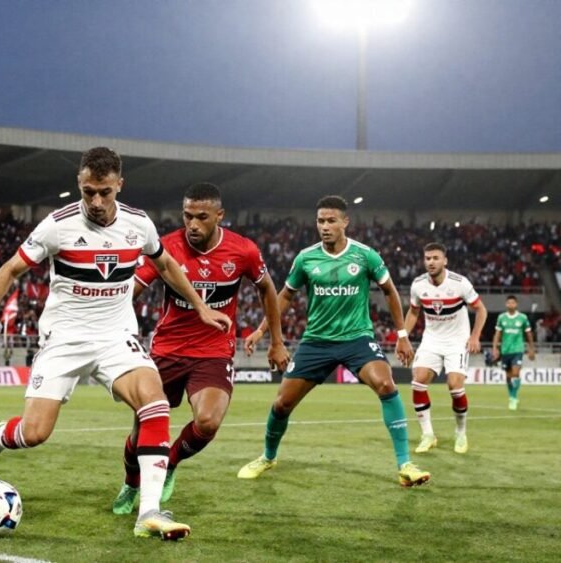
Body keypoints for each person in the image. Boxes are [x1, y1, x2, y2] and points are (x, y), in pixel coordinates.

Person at [0, 147, 231, 540]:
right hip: (64, 339)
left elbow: (166, 264)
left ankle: (150, 512)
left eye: (105, 191)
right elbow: (11, 269)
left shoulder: (139, 224)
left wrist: (201, 307)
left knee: (153, 402)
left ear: (119, 185)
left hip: (116, 337)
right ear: (79, 186)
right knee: (35, 433)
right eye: (89, 192)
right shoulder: (57, 226)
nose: (97, 202)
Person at [111, 183, 290, 515]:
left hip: (213, 351)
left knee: (207, 422)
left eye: (202, 217)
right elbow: (129, 291)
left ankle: (171, 463)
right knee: (142, 431)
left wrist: (276, 341)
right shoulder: (166, 248)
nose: (192, 224)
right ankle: (131, 484)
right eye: (187, 215)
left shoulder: (243, 251)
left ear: (219, 216)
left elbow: (267, 288)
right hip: (166, 350)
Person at [240, 195, 430, 487]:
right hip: (316, 341)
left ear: (345, 222)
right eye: (320, 221)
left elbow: (390, 291)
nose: (325, 226)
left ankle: (405, 464)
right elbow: (285, 296)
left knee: (386, 384)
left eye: (331, 221)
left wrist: (403, 335)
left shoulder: (366, 255)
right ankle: (267, 456)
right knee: (282, 404)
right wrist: (262, 330)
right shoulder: (306, 258)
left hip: (357, 338)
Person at [403, 242, 487, 454]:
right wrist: (402, 337)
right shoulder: (418, 284)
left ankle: (460, 432)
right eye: (428, 258)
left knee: (455, 386)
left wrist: (475, 336)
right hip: (431, 339)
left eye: (435, 258)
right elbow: (413, 312)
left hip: (457, 341)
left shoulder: (460, 283)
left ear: (445, 260)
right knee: (418, 381)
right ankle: (428, 435)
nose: (431, 262)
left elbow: (481, 309)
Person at [492, 295, 535, 410]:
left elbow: (528, 334)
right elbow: (497, 334)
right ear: (506, 304)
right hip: (505, 350)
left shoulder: (522, 318)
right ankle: (511, 395)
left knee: (515, 374)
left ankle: (514, 398)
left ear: (516, 304)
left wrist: (531, 348)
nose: (511, 304)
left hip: (518, 350)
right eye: (509, 303)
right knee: (508, 376)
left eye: (513, 303)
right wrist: (495, 348)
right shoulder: (501, 318)